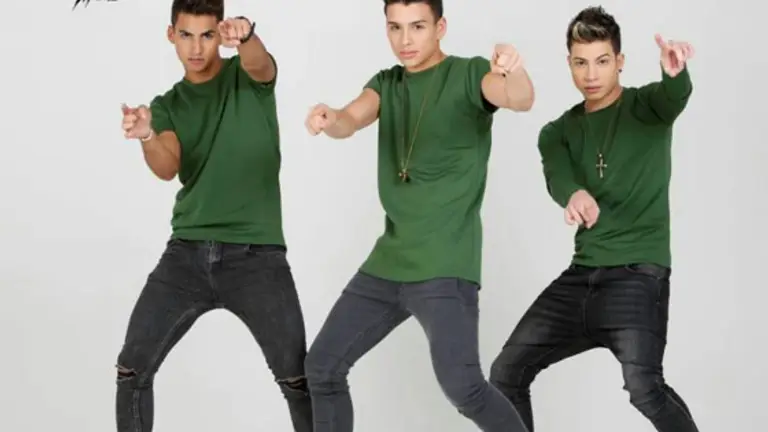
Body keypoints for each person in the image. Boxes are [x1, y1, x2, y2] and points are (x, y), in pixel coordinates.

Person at [302, 0, 534, 431]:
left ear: (440, 27)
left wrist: (514, 71)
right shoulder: (387, 83)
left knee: (464, 388)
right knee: (322, 366)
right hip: (388, 263)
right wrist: (330, 118)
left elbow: (519, 99)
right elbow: (350, 119)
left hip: (445, 265)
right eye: (395, 27)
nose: (405, 40)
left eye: (417, 27)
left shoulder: (468, 74)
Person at [489, 6, 699, 432]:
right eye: (580, 62)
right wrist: (574, 193)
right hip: (581, 277)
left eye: (602, 61)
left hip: (638, 276)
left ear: (619, 61)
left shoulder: (648, 107)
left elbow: (673, 95)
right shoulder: (557, 132)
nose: (591, 74)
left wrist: (675, 74)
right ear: (568, 63)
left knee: (644, 388)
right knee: (506, 373)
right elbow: (558, 175)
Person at [115, 1, 312, 431]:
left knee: (298, 378)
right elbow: (167, 166)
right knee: (132, 369)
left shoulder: (246, 76)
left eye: (207, 35)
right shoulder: (167, 104)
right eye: (186, 35)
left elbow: (261, 64)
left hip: (257, 255)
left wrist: (246, 37)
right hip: (186, 254)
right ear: (172, 35)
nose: (196, 48)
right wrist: (147, 135)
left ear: (219, 34)